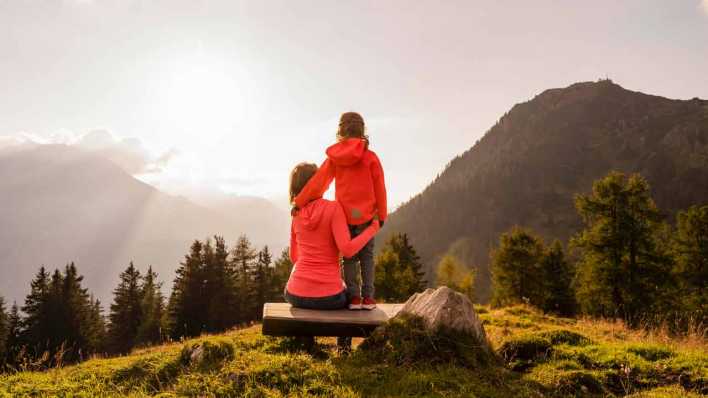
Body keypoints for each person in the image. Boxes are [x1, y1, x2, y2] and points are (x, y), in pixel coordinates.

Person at [292, 112, 387, 310]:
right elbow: (380, 187)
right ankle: (368, 298)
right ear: (362, 131)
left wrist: (300, 202)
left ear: (340, 132)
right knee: (367, 258)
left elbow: (319, 183)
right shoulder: (371, 158)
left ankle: (353, 298)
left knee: (349, 259)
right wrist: (382, 216)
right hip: (368, 217)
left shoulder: (335, 159)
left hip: (343, 217)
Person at [285, 162, 380, 311]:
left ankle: (305, 335)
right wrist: (372, 228)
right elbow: (347, 250)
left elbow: (294, 257)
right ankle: (344, 335)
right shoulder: (333, 208)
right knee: (349, 297)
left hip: (294, 293)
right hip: (330, 298)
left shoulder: (295, 214)